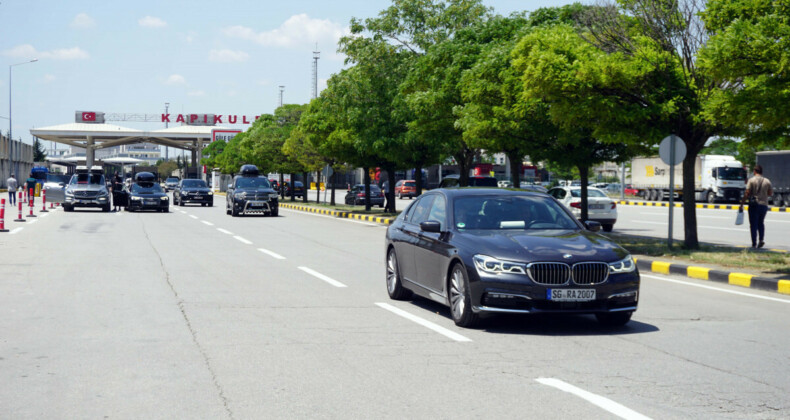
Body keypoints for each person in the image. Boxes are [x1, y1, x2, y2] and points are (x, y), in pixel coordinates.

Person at [740, 164, 773, 248]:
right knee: (761, 223)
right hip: (764, 205)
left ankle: (754, 243)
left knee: (753, 224)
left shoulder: (751, 180)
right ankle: (761, 240)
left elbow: (747, 193)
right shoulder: (767, 181)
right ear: (761, 172)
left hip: (754, 205)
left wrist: (742, 204)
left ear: (754, 171)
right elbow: (770, 193)